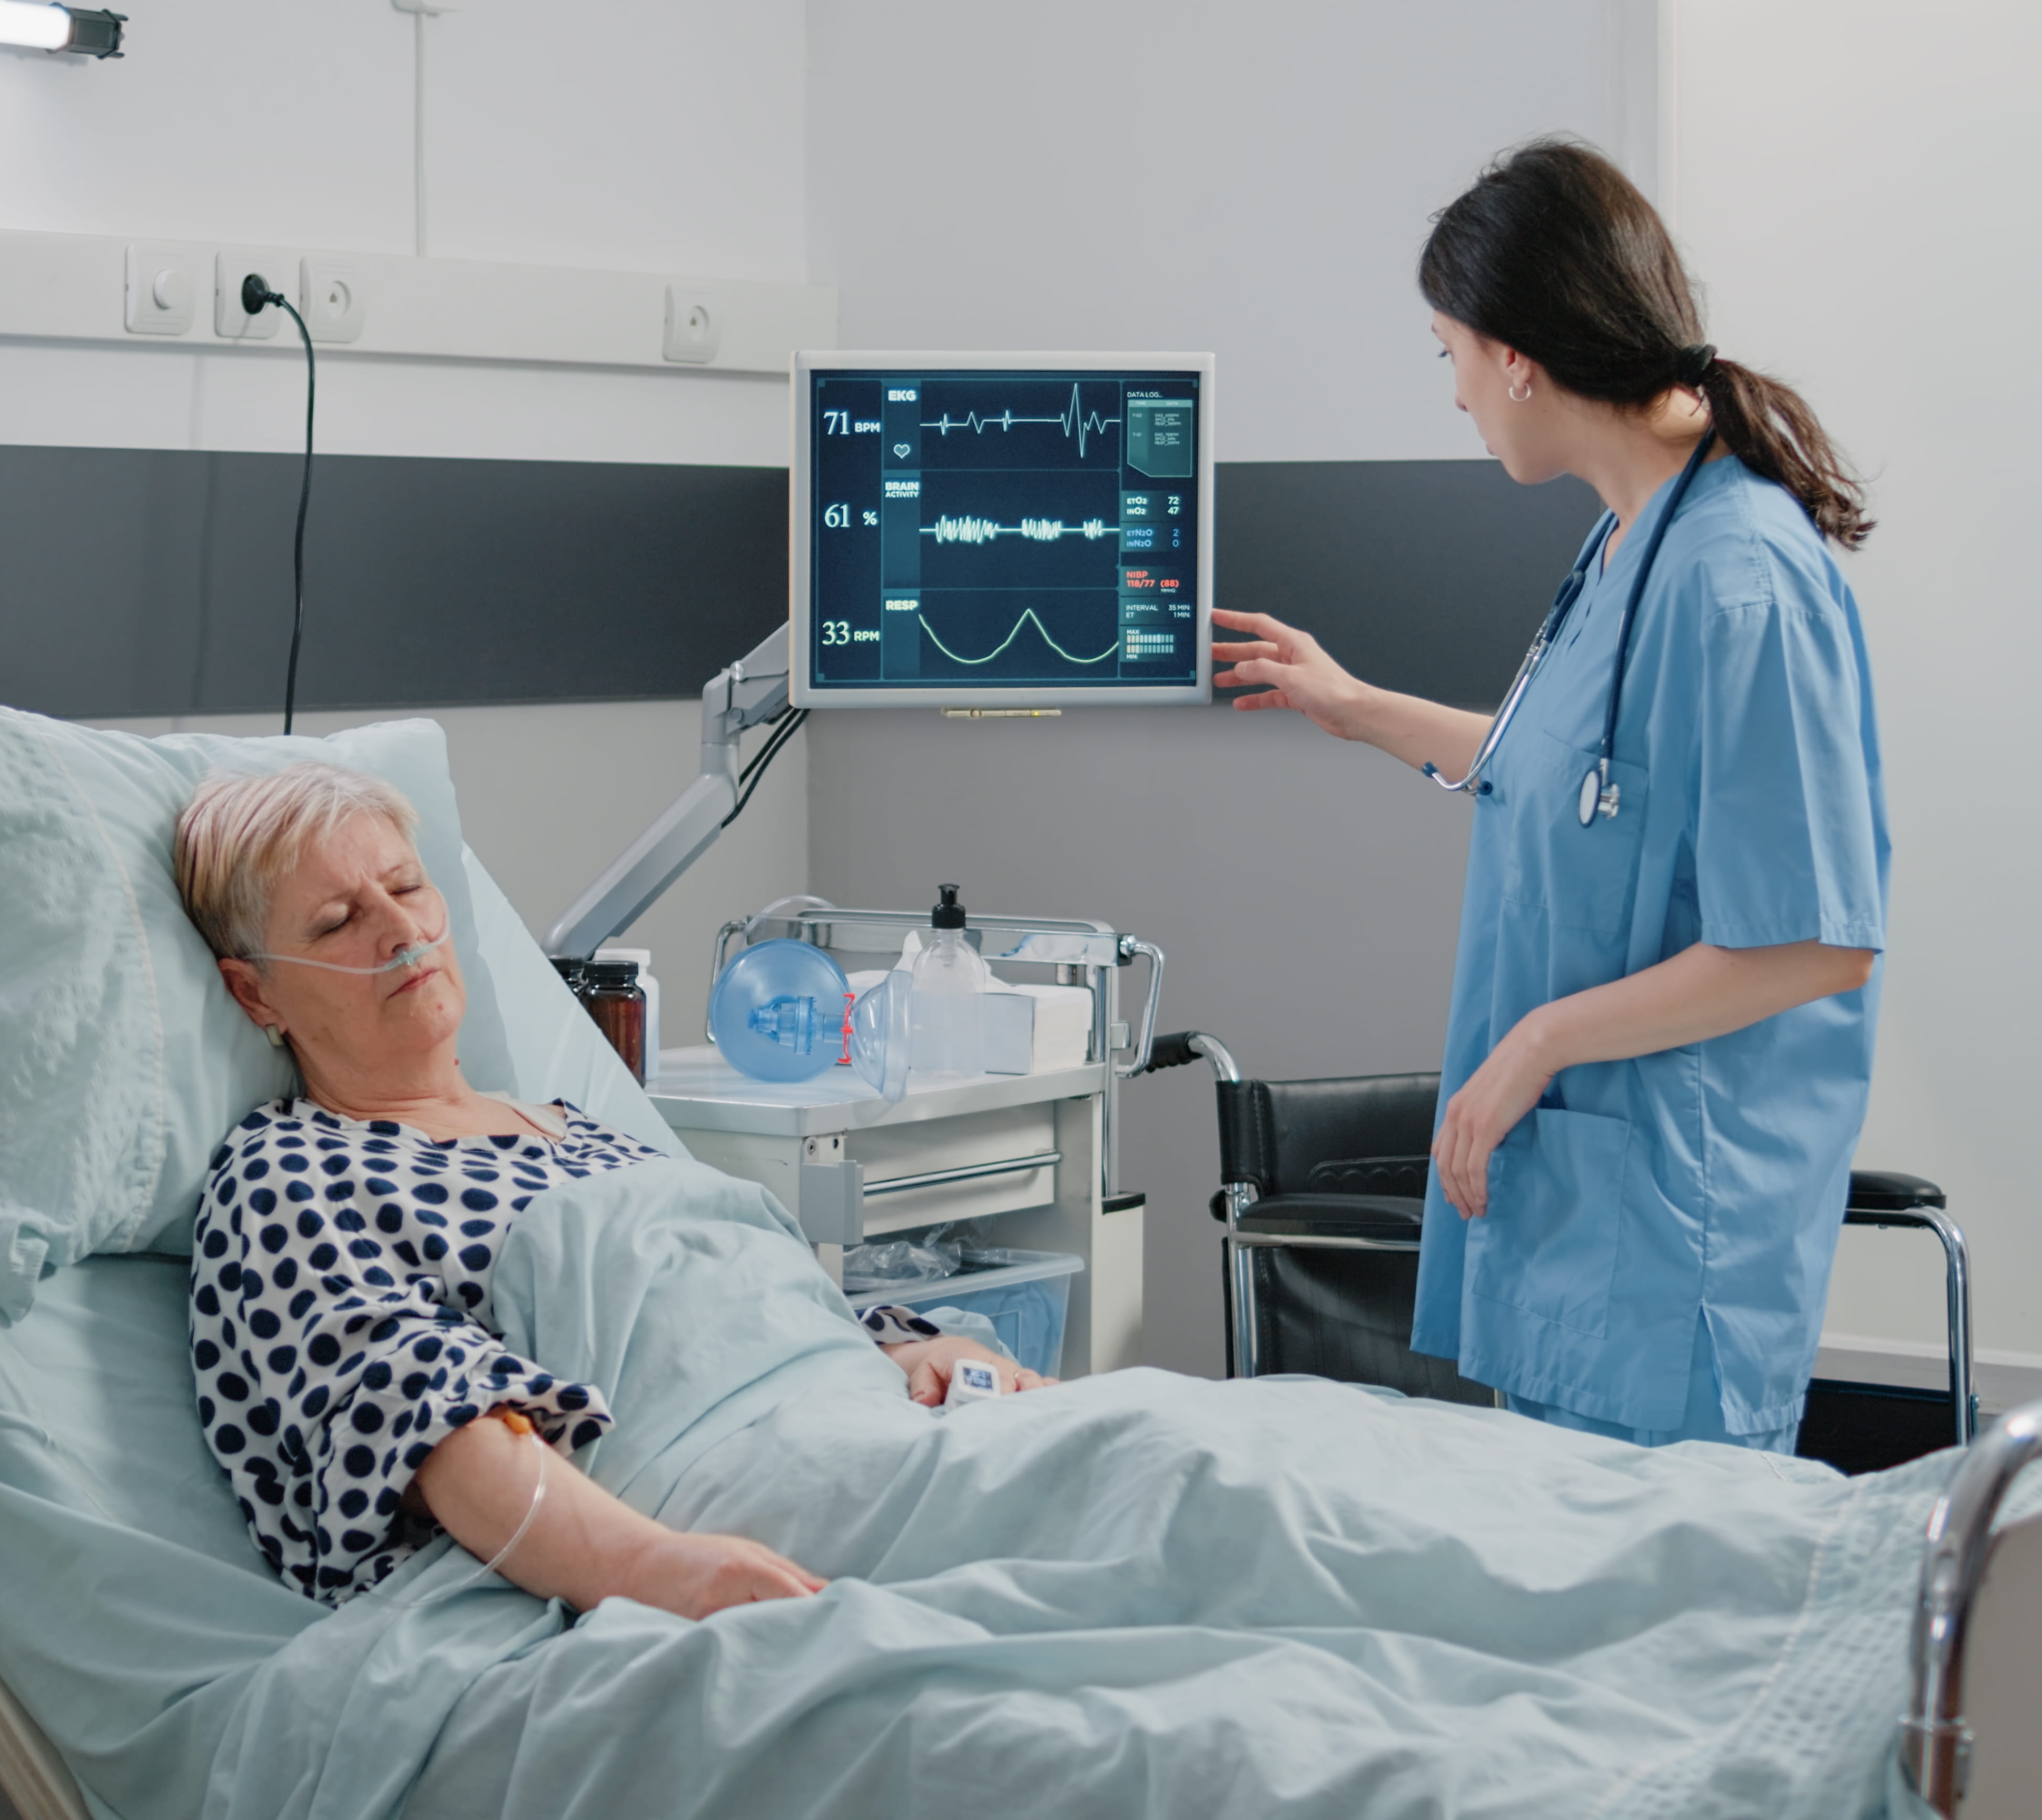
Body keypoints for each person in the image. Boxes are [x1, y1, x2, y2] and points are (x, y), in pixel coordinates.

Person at [1211, 139, 1886, 1452]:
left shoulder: (1737, 579)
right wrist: (1356, 709)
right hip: (1588, 1207)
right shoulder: (1630, 532)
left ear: (1518, 355)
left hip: (1673, 1229)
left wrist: (1537, 1044)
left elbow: (1816, 942)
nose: (1456, 393)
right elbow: (1580, 778)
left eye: (1449, 352)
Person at [169, 761, 1044, 1617]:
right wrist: (663, 1574)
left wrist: (910, 1356)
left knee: (1146, 1449)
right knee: (1158, 1475)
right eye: (336, 922)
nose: (402, 931)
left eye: (406, 886)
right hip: (706, 1488)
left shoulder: (579, 1128)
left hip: (866, 1417)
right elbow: (423, 1418)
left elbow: (746, 1306)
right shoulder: (290, 1172)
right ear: (255, 994)